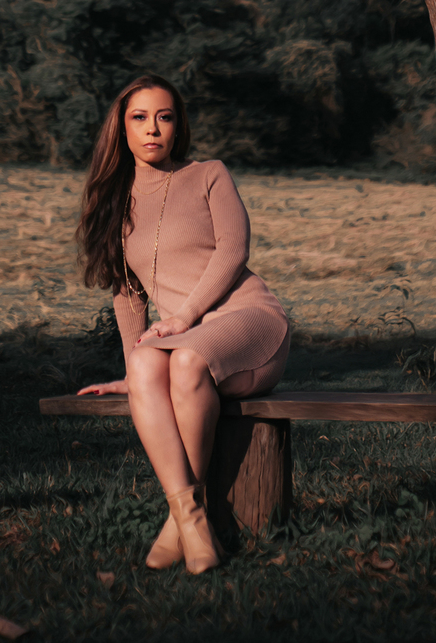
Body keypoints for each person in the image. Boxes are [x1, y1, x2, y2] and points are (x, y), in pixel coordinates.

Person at [76, 73, 291, 574]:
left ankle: (182, 524)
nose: (153, 129)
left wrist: (183, 317)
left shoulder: (208, 173)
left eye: (164, 117)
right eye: (139, 117)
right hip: (185, 340)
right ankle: (190, 518)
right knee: (154, 365)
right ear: (121, 129)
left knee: (187, 358)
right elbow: (127, 294)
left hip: (251, 322)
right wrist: (133, 373)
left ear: (178, 127)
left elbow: (233, 251)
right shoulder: (114, 200)